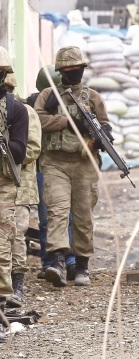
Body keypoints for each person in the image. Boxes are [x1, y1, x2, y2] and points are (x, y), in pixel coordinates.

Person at [34, 46, 110, 287]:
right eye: (68, 70)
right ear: (60, 72)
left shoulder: (93, 97)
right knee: (57, 211)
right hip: (55, 162)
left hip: (84, 164)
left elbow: (105, 124)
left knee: (83, 216)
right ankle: (56, 260)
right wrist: (68, 122)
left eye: (77, 69)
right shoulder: (49, 95)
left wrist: (103, 135)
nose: (73, 73)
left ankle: (81, 265)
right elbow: (37, 119)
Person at [29, 65, 77, 281]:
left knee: (67, 215)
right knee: (47, 218)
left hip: (64, 166)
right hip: (42, 167)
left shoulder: (75, 103)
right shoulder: (32, 105)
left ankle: (70, 261)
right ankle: (49, 261)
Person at [3, 73, 41, 308]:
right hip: (6, 183)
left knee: (15, 236)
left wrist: (8, 153)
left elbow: (32, 148)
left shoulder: (23, 112)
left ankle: (16, 285)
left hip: (20, 185)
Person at [0, 46, 29, 343]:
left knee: (0, 250)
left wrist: (3, 141)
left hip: (3, 186)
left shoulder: (16, 110)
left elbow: (20, 152)